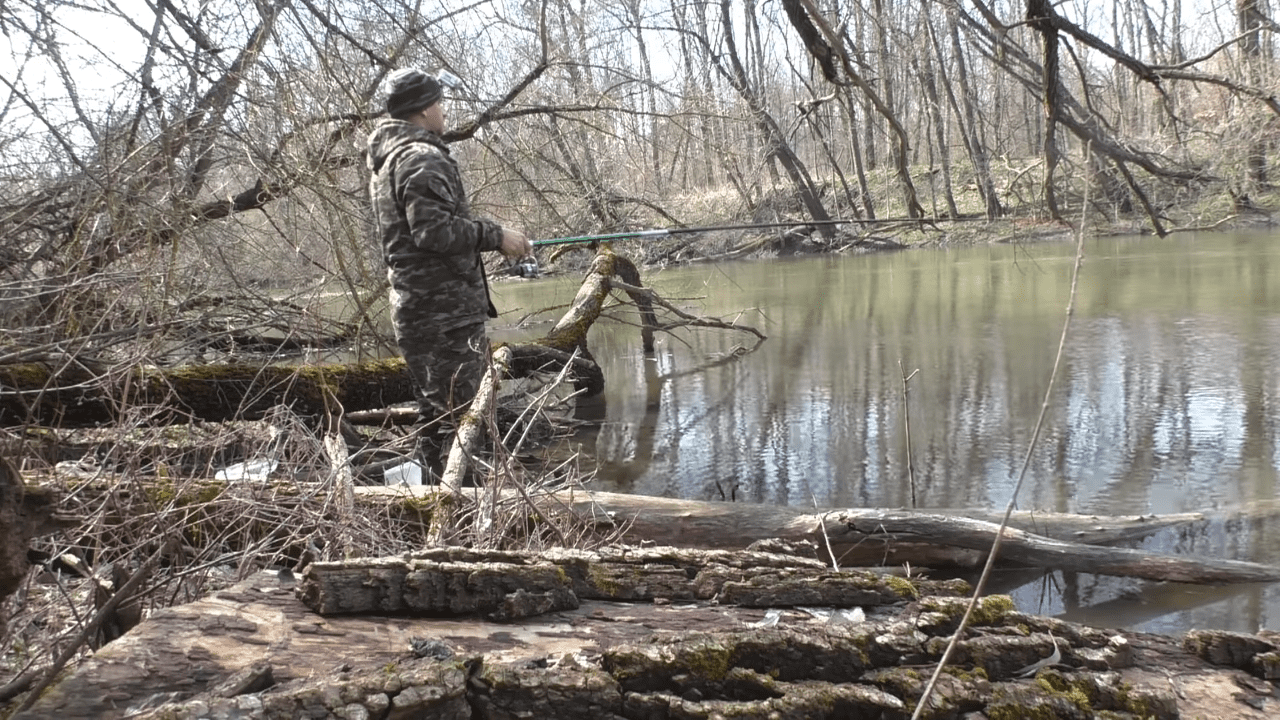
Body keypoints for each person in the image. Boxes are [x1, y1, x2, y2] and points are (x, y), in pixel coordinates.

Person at [366, 68, 532, 475]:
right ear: (423, 108)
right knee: (462, 422)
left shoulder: (390, 159)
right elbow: (433, 232)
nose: (443, 110)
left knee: (438, 415)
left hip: (420, 309)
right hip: (443, 316)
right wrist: (498, 236)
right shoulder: (420, 158)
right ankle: (464, 511)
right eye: (439, 102)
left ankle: (429, 499)